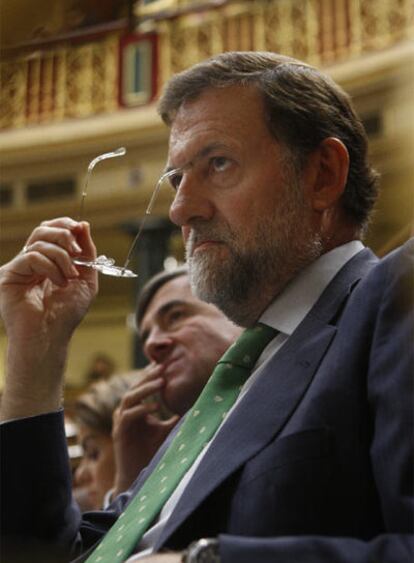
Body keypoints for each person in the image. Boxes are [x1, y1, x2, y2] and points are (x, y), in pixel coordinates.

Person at [0, 51, 412, 563]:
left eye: (217, 164)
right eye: (176, 179)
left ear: (322, 176)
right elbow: (43, 555)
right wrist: (34, 362)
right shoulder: (221, 395)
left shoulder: (392, 297)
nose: (180, 209)